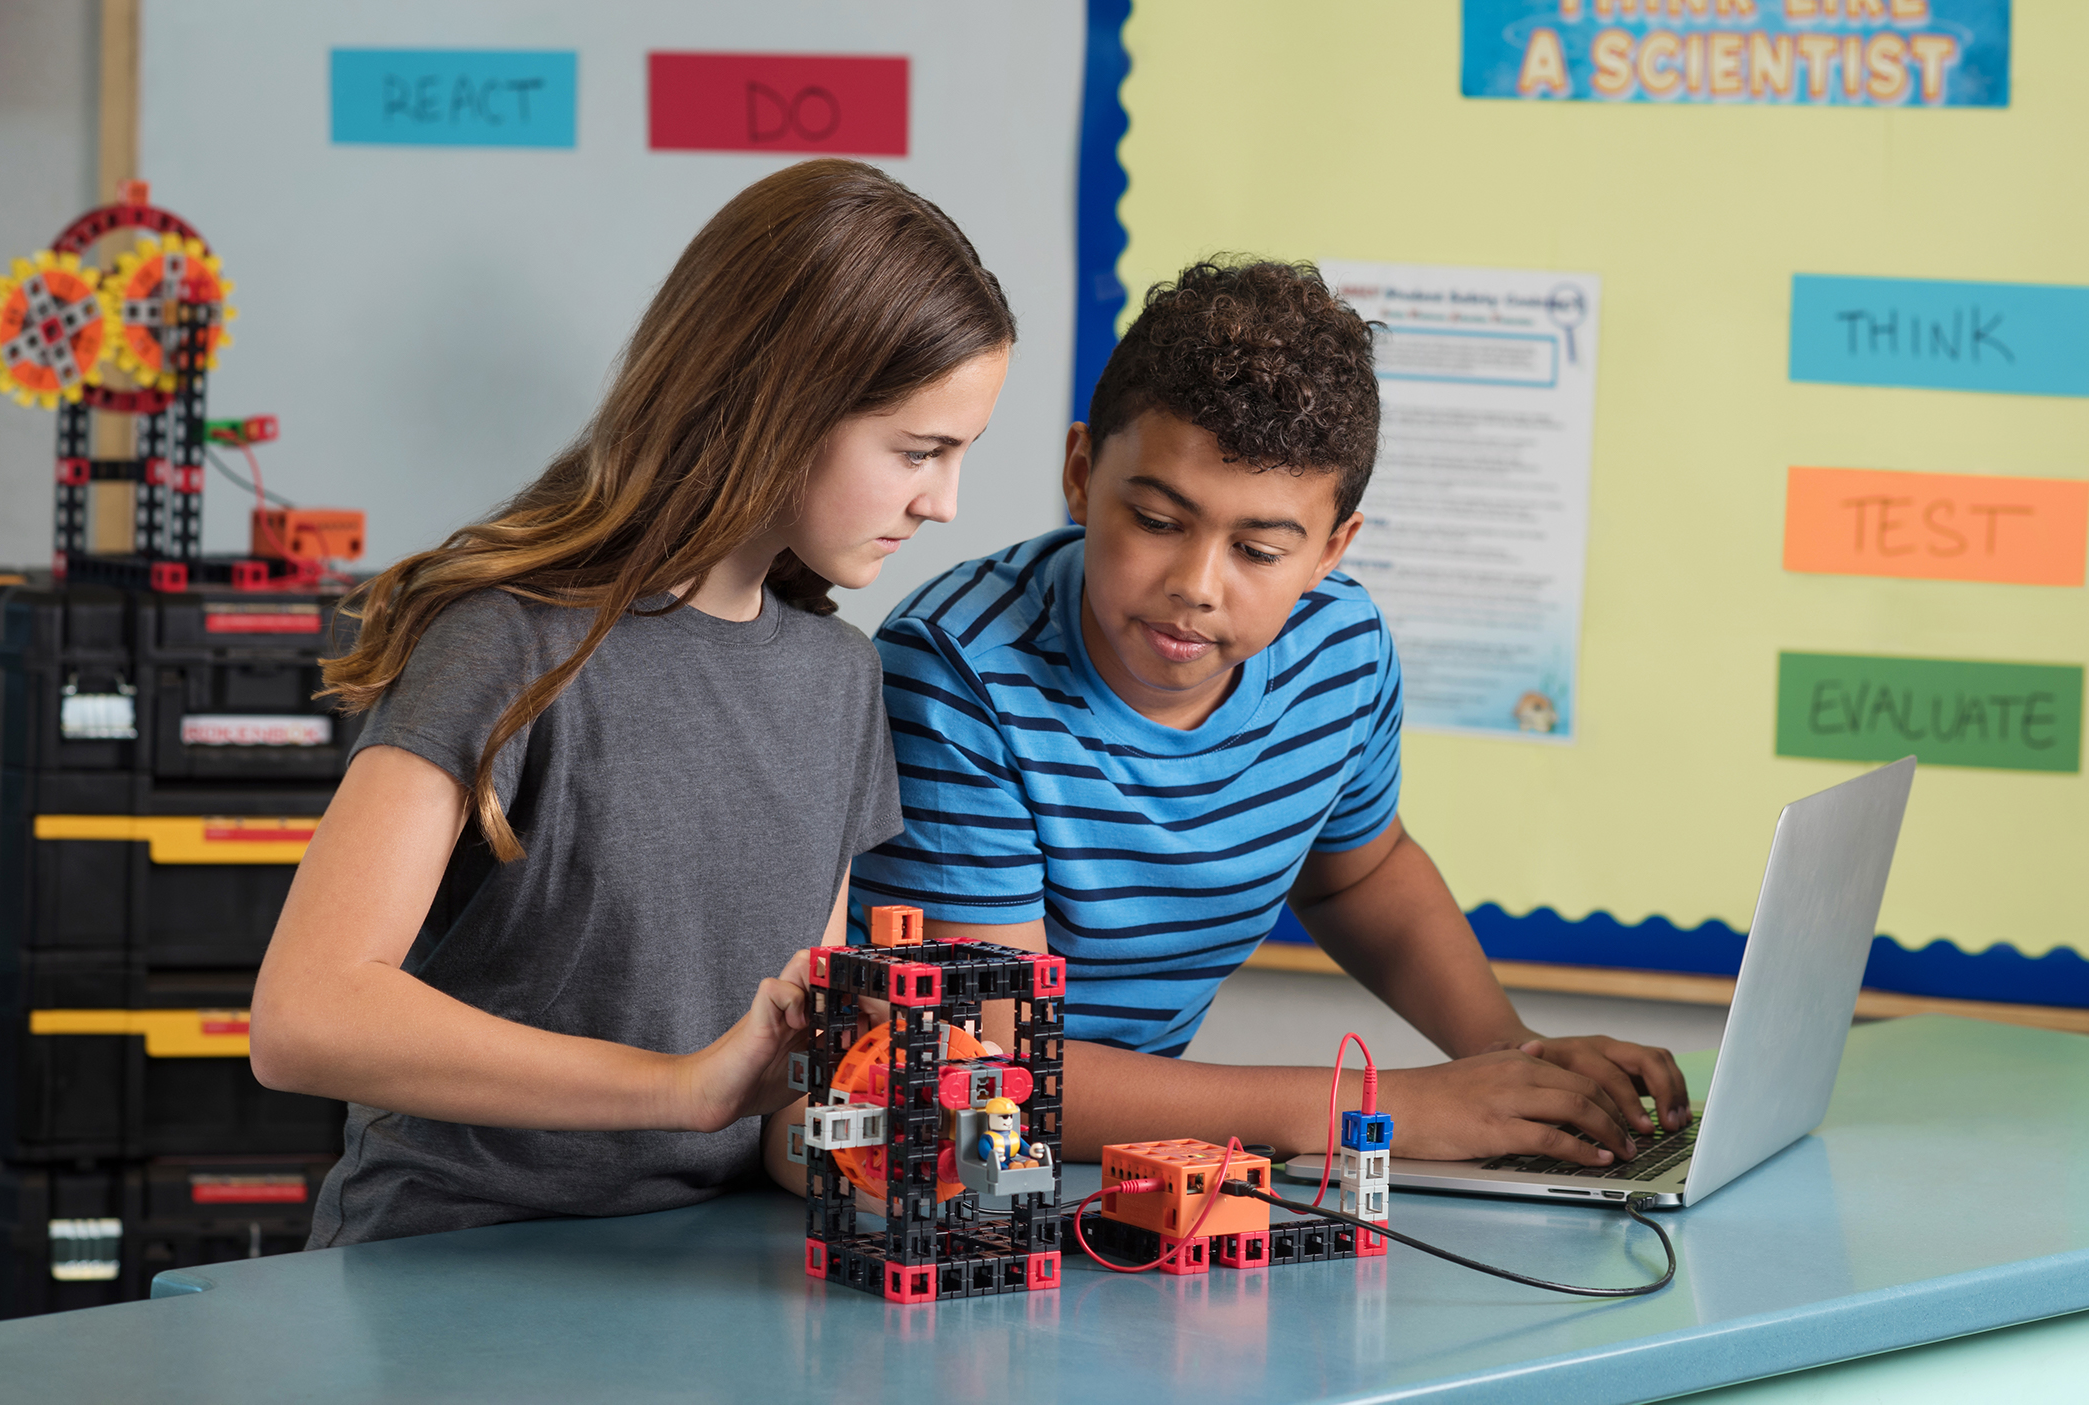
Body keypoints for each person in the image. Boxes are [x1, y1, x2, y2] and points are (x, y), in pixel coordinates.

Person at [248, 159, 1014, 1246]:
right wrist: (682, 1087)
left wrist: (890, 1136)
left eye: (958, 455)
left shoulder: (843, 681)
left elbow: (782, 1104)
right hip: (458, 1263)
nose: (942, 503)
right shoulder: (509, 640)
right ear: (782, 404)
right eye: (917, 452)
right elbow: (304, 1016)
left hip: (704, 1273)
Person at [848, 259, 1690, 1169]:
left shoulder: (1343, 649)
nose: (1195, 588)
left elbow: (1360, 877)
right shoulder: (954, 671)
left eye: (1257, 549)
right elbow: (995, 1065)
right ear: (1082, 473)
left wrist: (1511, 1059)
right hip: (931, 1167)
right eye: (1159, 520)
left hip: (1106, 1173)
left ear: (1330, 550)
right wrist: (1378, 1108)